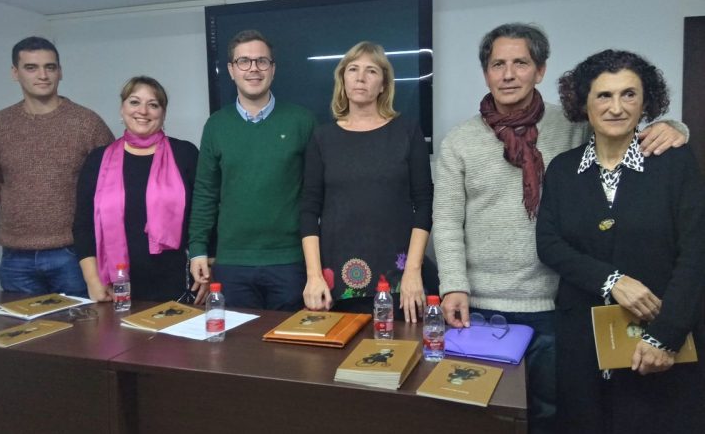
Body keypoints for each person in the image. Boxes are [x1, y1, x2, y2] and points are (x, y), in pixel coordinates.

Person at [432, 23, 687, 434]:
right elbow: (445, 220)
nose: (509, 74)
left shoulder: (571, 123)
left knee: (552, 414)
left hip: (555, 306)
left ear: (541, 70)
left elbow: (622, 125)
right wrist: (453, 285)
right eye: (498, 64)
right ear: (486, 73)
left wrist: (675, 128)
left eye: (521, 62)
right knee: (479, 413)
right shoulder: (459, 142)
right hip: (480, 306)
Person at [536, 50, 705, 433]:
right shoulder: (563, 169)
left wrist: (666, 335)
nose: (616, 107)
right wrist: (612, 280)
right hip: (581, 340)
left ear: (646, 102)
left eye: (629, 94)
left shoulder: (674, 163)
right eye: (604, 96)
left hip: (659, 340)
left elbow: (695, 253)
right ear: (584, 104)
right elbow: (549, 243)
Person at [301, 41, 433, 322]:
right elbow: (309, 210)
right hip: (334, 283)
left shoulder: (407, 132)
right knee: (337, 362)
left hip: (399, 281)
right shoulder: (322, 139)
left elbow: (424, 204)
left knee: (398, 358)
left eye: (371, 71)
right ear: (343, 79)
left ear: (384, 84)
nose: (360, 77)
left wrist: (413, 272)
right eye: (353, 69)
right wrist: (313, 277)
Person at [189, 30, 316, 309]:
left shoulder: (302, 121)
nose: (253, 69)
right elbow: (205, 193)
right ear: (231, 70)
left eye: (262, 61)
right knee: (237, 348)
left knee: (292, 349)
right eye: (244, 61)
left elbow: (317, 194)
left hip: (290, 261)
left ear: (273, 69)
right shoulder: (216, 125)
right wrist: (198, 249)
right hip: (232, 263)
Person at [0, 36, 114, 297]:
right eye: (31, 68)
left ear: (60, 72)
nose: (42, 75)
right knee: (23, 335)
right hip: (15, 257)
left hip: (73, 255)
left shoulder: (86, 123)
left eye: (50, 67)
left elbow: (112, 180)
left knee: (83, 333)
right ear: (15, 73)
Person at [73, 76, 198, 302]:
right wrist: (93, 281)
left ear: (163, 113)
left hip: (178, 285)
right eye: (134, 102)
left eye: (153, 104)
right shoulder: (98, 160)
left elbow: (203, 217)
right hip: (115, 287)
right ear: (122, 109)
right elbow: (83, 226)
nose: (143, 111)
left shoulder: (186, 154)